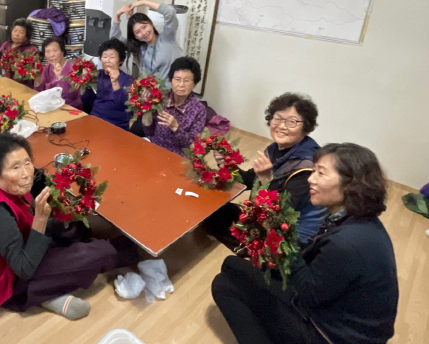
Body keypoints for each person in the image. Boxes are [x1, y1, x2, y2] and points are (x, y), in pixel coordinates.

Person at [211, 143, 399, 344]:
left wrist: (281, 239)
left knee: (223, 284)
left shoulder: (346, 243)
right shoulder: (357, 218)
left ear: (350, 184)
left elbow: (308, 295)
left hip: (331, 334)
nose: (311, 178)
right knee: (232, 264)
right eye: (314, 171)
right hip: (335, 310)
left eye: (321, 173)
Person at [0, 133, 139, 319]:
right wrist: (40, 219)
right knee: (100, 252)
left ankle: (52, 286)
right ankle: (40, 294)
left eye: (27, 163)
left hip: (16, 248)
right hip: (7, 279)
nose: (25, 174)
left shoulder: (8, 186)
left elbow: (39, 202)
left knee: (73, 228)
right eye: (15, 167)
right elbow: (23, 269)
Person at [206, 93, 327, 248]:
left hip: (288, 238)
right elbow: (250, 180)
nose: (282, 126)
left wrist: (266, 180)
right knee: (212, 209)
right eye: (277, 118)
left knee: (216, 221)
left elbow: (279, 218)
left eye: (292, 122)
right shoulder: (276, 149)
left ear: (306, 127)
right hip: (266, 216)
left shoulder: (306, 169)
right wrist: (226, 165)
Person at [142, 56, 206, 157]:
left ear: (194, 84)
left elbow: (193, 145)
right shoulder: (161, 99)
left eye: (187, 81)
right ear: (171, 81)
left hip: (178, 156)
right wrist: (146, 110)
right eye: (177, 79)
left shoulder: (199, 109)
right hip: (154, 148)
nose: (181, 84)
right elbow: (149, 132)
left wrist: (175, 127)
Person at [110, 0, 183, 85]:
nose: (144, 33)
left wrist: (143, 2)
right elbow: (115, 41)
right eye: (138, 32)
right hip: (151, 95)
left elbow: (170, 12)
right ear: (135, 36)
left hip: (174, 92)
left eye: (144, 27)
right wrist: (117, 15)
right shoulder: (139, 48)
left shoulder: (167, 37)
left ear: (151, 24)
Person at [82, 38, 133, 130]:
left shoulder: (127, 80)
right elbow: (86, 102)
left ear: (121, 60)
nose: (107, 60)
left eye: (112, 57)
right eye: (104, 57)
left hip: (116, 126)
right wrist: (85, 83)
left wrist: (115, 83)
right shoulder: (97, 74)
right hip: (95, 120)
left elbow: (123, 106)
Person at [34, 36, 82, 109]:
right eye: (48, 51)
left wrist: (59, 77)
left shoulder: (73, 68)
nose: (51, 55)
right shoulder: (48, 67)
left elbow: (69, 95)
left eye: (55, 51)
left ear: (62, 51)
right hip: (51, 106)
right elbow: (40, 91)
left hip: (69, 108)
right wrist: (37, 79)